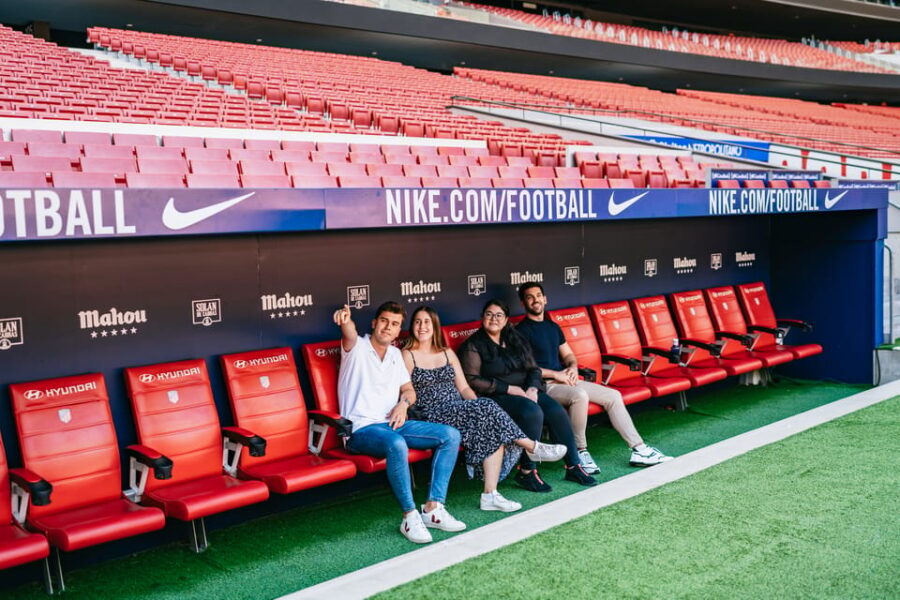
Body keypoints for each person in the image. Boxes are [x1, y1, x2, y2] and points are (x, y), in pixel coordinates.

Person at [402, 306, 567, 513]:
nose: (422, 326)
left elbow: (463, 387)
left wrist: (474, 405)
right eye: (417, 322)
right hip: (431, 414)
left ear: (434, 326)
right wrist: (478, 406)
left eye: (427, 322)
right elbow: (405, 388)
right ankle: (532, 447)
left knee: (490, 423)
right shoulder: (408, 355)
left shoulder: (446, 352)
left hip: (458, 409)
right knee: (488, 406)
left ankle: (490, 494)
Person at [334, 301, 465, 544]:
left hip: (393, 424)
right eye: (383, 321)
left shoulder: (396, 354)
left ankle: (433, 508)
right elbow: (349, 330)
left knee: (450, 435)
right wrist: (345, 321)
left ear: (398, 330)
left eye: (394, 324)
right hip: (361, 429)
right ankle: (409, 515)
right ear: (374, 323)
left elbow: (408, 390)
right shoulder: (357, 347)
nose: (388, 327)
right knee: (396, 444)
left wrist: (403, 404)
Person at [515, 282, 673, 469]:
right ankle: (579, 451)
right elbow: (526, 368)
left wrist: (572, 368)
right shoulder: (520, 331)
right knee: (580, 396)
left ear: (545, 299)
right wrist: (558, 375)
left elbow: (568, 355)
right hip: (545, 385)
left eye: (538, 296)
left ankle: (639, 449)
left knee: (613, 396)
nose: (535, 300)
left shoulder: (552, 327)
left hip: (567, 379)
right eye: (529, 297)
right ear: (523, 304)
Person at [458, 298, 597, 492]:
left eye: (499, 315)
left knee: (556, 411)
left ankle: (573, 465)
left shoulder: (515, 338)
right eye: (489, 314)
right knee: (532, 412)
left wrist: (532, 388)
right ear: (482, 318)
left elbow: (534, 369)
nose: (494, 319)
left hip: (526, 391)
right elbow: (472, 380)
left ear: (506, 319)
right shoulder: (474, 344)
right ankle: (527, 472)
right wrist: (508, 389)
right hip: (496, 395)